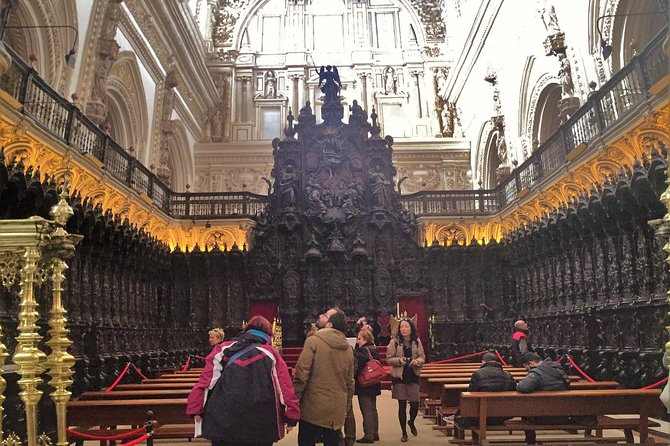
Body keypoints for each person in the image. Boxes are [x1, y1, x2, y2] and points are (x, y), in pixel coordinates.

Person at [186, 316, 300, 446]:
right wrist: (291, 416)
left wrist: (196, 408)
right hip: (261, 422)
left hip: (224, 418)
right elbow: (284, 389)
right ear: (269, 333)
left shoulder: (222, 349)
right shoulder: (271, 354)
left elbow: (206, 382)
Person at [293, 308, 355, 446]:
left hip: (312, 406)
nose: (320, 315)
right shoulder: (348, 349)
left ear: (329, 325)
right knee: (332, 440)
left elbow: (302, 374)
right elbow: (350, 382)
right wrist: (346, 406)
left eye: (325, 315)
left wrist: (294, 400)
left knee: (307, 440)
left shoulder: (313, 341)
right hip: (336, 407)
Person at [517, 352, 571, 444]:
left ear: (531, 363)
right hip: (564, 415)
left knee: (525, 409)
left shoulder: (537, 373)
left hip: (544, 416)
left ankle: (530, 441)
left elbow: (523, 387)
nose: (526, 369)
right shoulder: (558, 369)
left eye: (526, 366)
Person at [452, 352, 517, 427]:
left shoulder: (478, 374)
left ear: (483, 362)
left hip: (481, 414)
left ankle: (475, 437)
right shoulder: (508, 375)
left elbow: (471, 395)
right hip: (502, 415)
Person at [386, 318, 425, 442]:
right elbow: (388, 359)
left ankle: (411, 421)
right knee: (401, 405)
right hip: (400, 377)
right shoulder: (394, 342)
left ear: (411, 328)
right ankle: (404, 432)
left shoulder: (417, 341)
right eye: (402, 327)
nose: (404, 329)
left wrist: (417, 361)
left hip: (413, 375)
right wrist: (399, 360)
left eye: (406, 327)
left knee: (414, 404)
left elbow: (422, 357)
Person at [354, 328, 381, 443]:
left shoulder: (361, 352)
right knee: (373, 408)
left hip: (364, 383)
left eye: (359, 339)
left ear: (365, 339)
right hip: (374, 382)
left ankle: (368, 434)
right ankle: (375, 432)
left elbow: (357, 368)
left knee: (366, 410)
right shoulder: (374, 350)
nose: (357, 341)